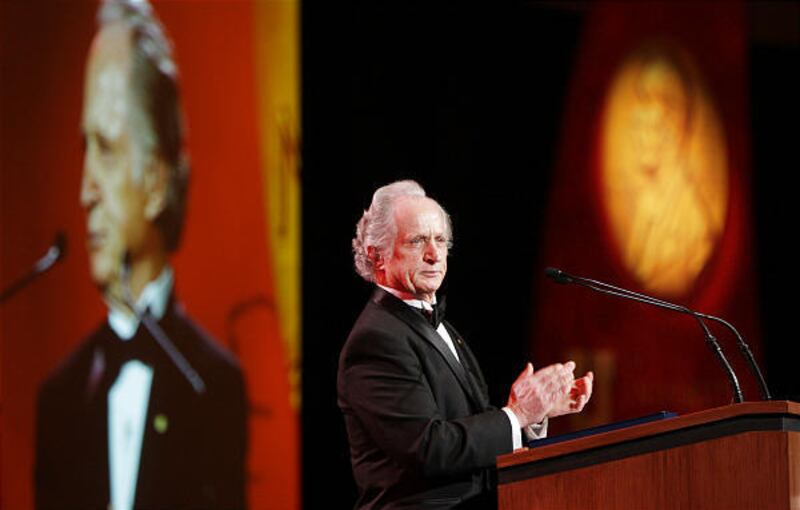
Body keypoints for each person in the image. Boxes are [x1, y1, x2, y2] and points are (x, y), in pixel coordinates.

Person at [34, 1, 247, 509]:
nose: (85, 191)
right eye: (82, 148)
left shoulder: (213, 387)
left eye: (105, 149)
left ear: (155, 183)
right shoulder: (58, 398)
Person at [338, 180, 594, 509]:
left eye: (440, 240)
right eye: (417, 241)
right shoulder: (375, 340)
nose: (433, 255)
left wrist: (533, 414)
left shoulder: (439, 325)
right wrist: (516, 414)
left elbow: (465, 426)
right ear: (378, 257)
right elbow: (430, 448)